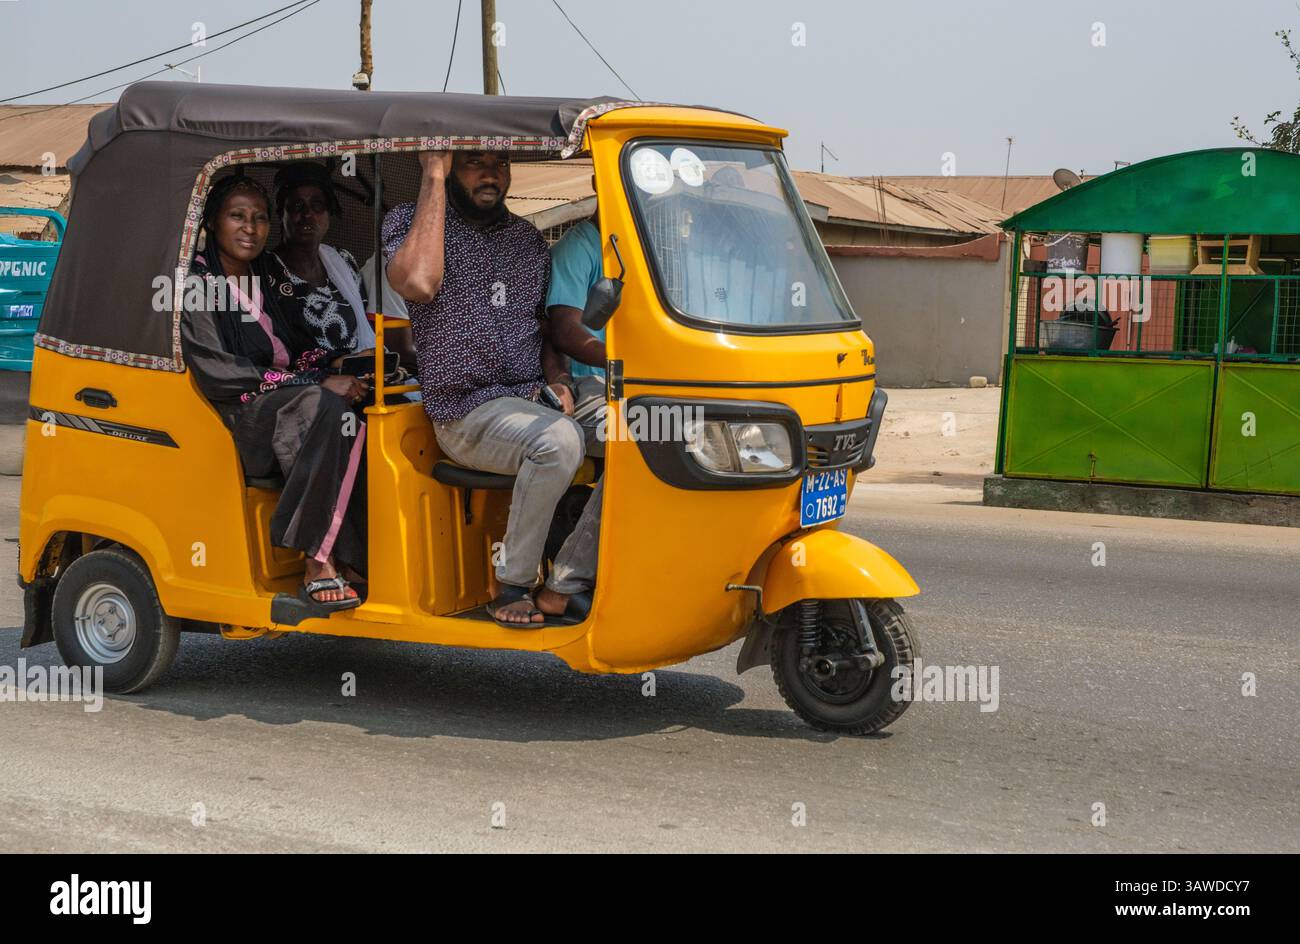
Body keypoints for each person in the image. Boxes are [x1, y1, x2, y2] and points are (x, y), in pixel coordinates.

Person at [383, 150, 600, 627]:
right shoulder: (409, 222)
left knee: (647, 428)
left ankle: (565, 583)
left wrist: (560, 380)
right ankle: (513, 587)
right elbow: (417, 283)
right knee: (558, 441)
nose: (491, 174)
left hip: (534, 395)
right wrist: (433, 177)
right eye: (473, 163)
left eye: (499, 164)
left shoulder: (526, 240)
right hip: (467, 411)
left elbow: (546, 333)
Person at [180, 173, 370, 611]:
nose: (251, 228)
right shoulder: (195, 283)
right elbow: (218, 372)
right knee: (322, 404)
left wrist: (333, 365)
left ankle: (356, 555)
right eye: (237, 216)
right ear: (212, 222)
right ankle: (316, 561)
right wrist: (314, 381)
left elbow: (298, 346)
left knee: (369, 406)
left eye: (260, 218)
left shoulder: (267, 274)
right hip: (234, 418)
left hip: (286, 402)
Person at [261, 162, 376, 357]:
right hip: (309, 382)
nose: (308, 214)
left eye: (317, 205)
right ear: (281, 213)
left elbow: (367, 320)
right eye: (297, 206)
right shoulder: (267, 271)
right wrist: (334, 364)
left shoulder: (343, 259)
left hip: (361, 374)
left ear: (328, 212)